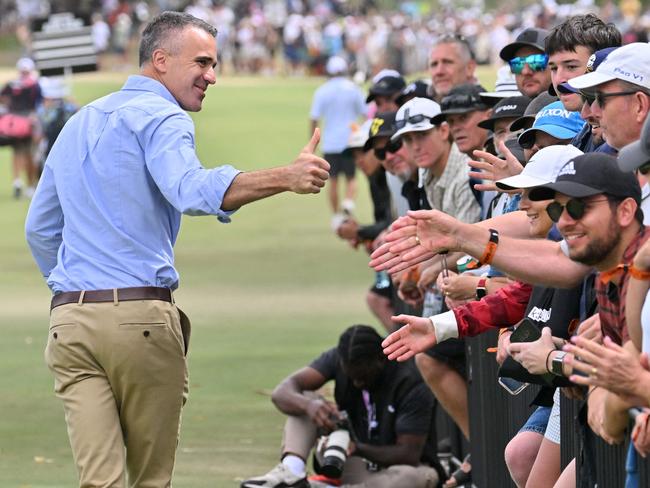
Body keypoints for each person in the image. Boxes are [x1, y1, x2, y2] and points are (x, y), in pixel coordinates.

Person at [24, 12, 330, 487]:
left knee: (98, 482)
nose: (212, 75)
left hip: (70, 324)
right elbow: (188, 189)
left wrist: (77, 289)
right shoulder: (162, 115)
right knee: (150, 481)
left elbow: (40, 229)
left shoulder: (79, 120)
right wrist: (284, 177)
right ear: (161, 60)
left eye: (215, 63)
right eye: (203, 62)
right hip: (139, 320)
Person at [240, 325, 441, 488]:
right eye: (351, 377)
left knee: (412, 477)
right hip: (350, 464)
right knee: (303, 398)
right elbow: (282, 392)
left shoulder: (409, 381)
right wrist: (310, 406)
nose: (357, 383)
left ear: (381, 359)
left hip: (399, 470)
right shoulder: (338, 358)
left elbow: (408, 454)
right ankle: (292, 470)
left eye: (363, 377)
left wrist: (356, 448)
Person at [310, 55, 367, 228]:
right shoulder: (354, 88)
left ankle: (336, 215)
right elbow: (366, 113)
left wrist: (312, 141)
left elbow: (314, 118)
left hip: (331, 143)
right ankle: (348, 202)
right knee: (351, 178)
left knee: (333, 180)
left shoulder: (322, 90)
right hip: (351, 140)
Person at [0, 57, 41, 198]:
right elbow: (38, 104)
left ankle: (17, 181)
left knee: (17, 152)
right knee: (30, 154)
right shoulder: (34, 84)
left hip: (13, 125)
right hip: (29, 123)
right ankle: (30, 186)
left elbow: (3, 100)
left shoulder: (11, 84)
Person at [499, 28, 552, 99]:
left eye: (536, 62)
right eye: (517, 63)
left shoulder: (570, 108)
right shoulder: (507, 108)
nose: (525, 71)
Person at [428, 34, 477, 102]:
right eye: (434, 64)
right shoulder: (421, 108)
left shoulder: (488, 110)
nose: (439, 71)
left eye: (447, 62)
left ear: (470, 68)